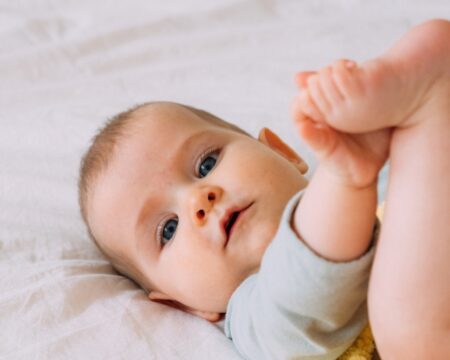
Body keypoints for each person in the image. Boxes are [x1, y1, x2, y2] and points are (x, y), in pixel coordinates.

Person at [78, 19, 450, 359]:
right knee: (404, 325)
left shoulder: (381, 169)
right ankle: (433, 88)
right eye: (168, 230)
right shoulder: (251, 314)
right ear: (183, 306)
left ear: (283, 151)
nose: (198, 200)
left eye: (206, 164)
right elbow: (303, 301)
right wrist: (344, 177)